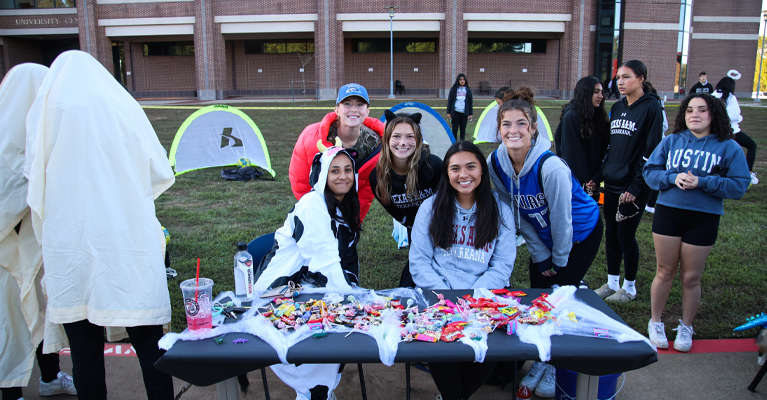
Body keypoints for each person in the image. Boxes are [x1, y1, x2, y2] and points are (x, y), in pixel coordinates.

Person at [24, 50, 175, 400]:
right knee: (150, 345)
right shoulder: (121, 106)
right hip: (127, 239)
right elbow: (159, 172)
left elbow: (32, 177)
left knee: (85, 353)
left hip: (70, 242)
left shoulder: (48, 109)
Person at [489, 88, 603, 398]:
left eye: (521, 124)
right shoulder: (495, 164)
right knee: (539, 299)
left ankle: (554, 362)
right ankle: (541, 359)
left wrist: (559, 263)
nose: (514, 131)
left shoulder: (550, 166)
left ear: (534, 127)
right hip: (541, 235)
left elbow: (562, 222)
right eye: (507, 124)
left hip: (580, 234)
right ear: (498, 130)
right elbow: (515, 214)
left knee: (558, 297)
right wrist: (540, 256)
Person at [409, 141, 516, 400]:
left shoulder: (500, 210)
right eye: (455, 168)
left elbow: (502, 265)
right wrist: (447, 297)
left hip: (483, 299)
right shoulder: (431, 208)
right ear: (447, 173)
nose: (463, 175)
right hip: (439, 299)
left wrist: (473, 297)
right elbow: (419, 261)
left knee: (488, 354)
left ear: (482, 171)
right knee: (442, 352)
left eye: (471, 166)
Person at [643, 93, 750, 352]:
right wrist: (671, 178)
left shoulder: (729, 147)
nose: (695, 114)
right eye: (690, 110)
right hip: (669, 213)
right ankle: (655, 322)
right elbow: (649, 172)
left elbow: (739, 185)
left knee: (691, 277)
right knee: (664, 271)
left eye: (702, 110)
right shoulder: (671, 141)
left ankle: (686, 326)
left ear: (714, 114)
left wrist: (703, 182)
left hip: (703, 217)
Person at [254, 146, 362, 399]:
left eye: (348, 170)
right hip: (279, 294)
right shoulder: (313, 205)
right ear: (321, 174)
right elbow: (324, 262)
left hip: (311, 289)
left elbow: (347, 263)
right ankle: (314, 391)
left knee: (343, 323)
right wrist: (355, 300)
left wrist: (353, 294)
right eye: (334, 170)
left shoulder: (343, 207)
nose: (343, 176)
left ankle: (320, 390)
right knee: (334, 327)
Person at [0, 64, 75, 400]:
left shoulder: (42, 131)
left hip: (37, 244)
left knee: (44, 312)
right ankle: (10, 390)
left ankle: (50, 376)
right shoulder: (8, 141)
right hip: (7, 252)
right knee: (10, 325)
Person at [594, 60, 663, 303]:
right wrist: (600, 175)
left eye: (626, 77)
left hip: (634, 186)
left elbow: (652, 150)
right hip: (612, 182)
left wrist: (635, 186)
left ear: (641, 79)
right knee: (611, 234)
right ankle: (612, 283)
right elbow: (611, 146)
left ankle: (630, 287)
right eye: (618, 77)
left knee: (625, 234)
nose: (620, 82)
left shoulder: (652, 107)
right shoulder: (617, 107)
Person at [289, 83, 385, 221]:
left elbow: (366, 191)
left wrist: (354, 222)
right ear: (337, 110)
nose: (354, 109)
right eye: (347, 104)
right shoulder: (312, 137)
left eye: (360, 104)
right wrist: (314, 214)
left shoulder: (377, 146)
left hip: (351, 204)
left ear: (367, 111)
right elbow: (301, 181)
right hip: (316, 207)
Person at [369, 111, 442, 287]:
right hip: (414, 230)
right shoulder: (377, 176)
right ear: (386, 139)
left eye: (410, 136)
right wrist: (409, 223)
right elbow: (390, 206)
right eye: (396, 136)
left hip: (442, 227)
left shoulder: (433, 165)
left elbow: (447, 202)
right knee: (410, 283)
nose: (403, 142)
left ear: (418, 140)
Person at [553, 76, 609, 199]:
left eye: (601, 92)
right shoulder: (571, 117)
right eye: (596, 92)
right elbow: (572, 154)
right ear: (585, 93)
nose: (600, 96)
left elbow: (605, 148)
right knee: (585, 215)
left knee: (596, 210)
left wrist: (597, 177)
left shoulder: (599, 116)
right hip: (579, 183)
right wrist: (587, 180)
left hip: (597, 179)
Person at [712, 76, 759, 185]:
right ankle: (748, 173)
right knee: (752, 145)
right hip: (731, 131)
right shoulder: (730, 97)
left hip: (715, 132)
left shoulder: (712, 96)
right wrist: (740, 118)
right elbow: (735, 116)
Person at [642, 81, 669, 213]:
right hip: (645, 144)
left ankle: (651, 203)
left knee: (653, 170)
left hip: (656, 145)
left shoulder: (656, 104)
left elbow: (664, 126)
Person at [446, 74, 474, 141]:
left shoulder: (468, 90)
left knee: (463, 129)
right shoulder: (454, 89)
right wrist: (448, 112)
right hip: (455, 112)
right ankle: (454, 142)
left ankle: (462, 143)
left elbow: (470, 102)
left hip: (464, 113)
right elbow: (450, 101)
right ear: (458, 80)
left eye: (463, 79)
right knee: (455, 129)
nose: (462, 81)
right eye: (460, 79)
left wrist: (470, 113)